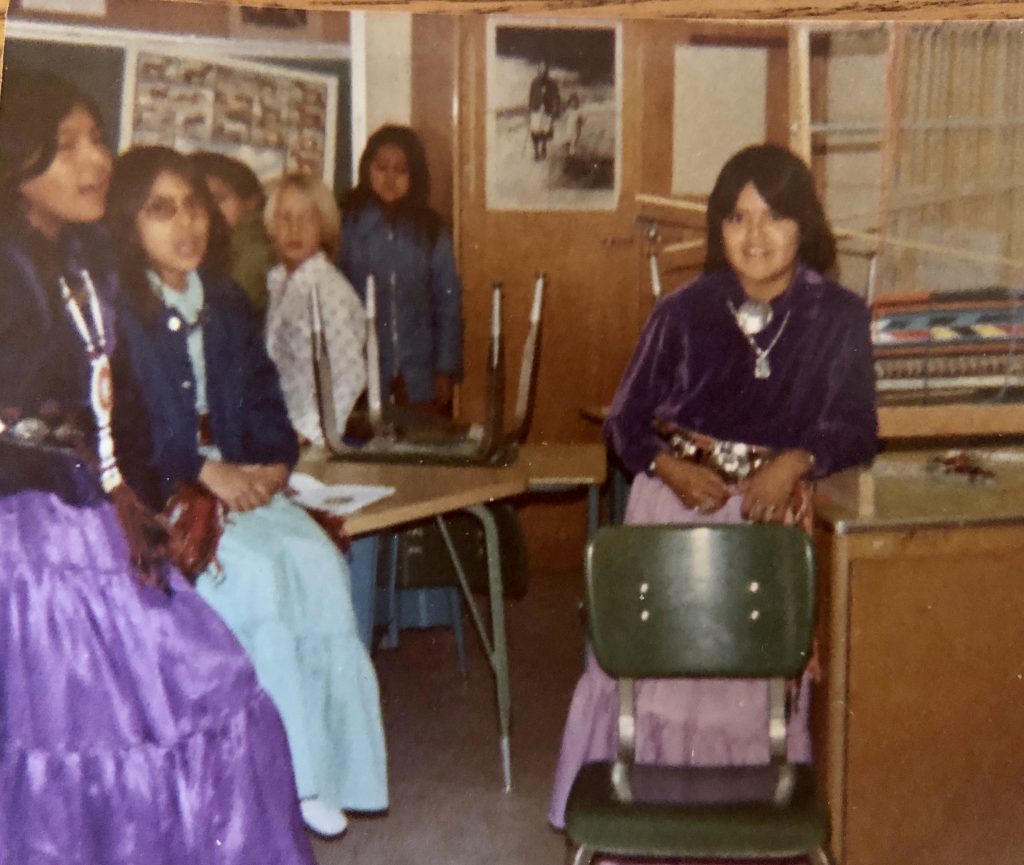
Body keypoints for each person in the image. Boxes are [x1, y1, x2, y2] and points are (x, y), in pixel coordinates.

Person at [0, 67, 316, 864]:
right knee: (88, 731)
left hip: (99, 515)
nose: (94, 159)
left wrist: (170, 487)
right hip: (33, 541)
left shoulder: (81, 261)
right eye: (67, 145)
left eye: (97, 139)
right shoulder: (11, 267)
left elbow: (121, 405)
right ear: (15, 156)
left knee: (198, 690)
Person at [548, 143, 878, 830]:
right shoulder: (683, 311)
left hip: (768, 526)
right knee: (660, 696)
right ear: (717, 228)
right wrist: (668, 467)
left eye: (774, 217)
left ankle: (740, 830)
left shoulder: (840, 316)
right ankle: (650, 823)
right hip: (674, 511)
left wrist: (794, 462)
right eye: (736, 218)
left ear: (805, 227)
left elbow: (857, 428)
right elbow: (624, 423)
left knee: (748, 703)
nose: (754, 236)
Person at [106, 145, 388, 838]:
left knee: (320, 567)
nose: (186, 225)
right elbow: (122, 431)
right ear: (129, 222)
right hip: (167, 489)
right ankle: (288, 776)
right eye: (162, 209)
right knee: (257, 580)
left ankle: (331, 768)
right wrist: (203, 472)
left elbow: (266, 397)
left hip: (239, 477)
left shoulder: (227, 300)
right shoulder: (120, 312)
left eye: (194, 206)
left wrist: (272, 463)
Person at [338, 124, 463, 414]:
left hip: (419, 377)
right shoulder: (347, 225)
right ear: (368, 170)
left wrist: (445, 369)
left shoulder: (431, 231)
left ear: (415, 176)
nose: (390, 178)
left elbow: (448, 305)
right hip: (360, 375)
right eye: (382, 168)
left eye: (401, 170)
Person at [264, 171, 366, 445]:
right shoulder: (280, 281)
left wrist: (309, 433)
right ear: (271, 225)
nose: (294, 229)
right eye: (285, 218)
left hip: (314, 440)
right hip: (281, 431)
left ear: (324, 227)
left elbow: (350, 375)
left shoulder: (327, 289)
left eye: (307, 218)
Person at [189, 149, 274, 320]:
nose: (210, 209)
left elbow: (223, 311)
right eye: (199, 201)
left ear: (251, 202)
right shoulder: (220, 243)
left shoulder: (253, 248)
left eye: (219, 199)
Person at [527, 59, 561, 161]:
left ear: (547, 71)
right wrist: (530, 109)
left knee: (545, 131)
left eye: (545, 69)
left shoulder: (552, 84)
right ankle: (536, 152)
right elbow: (531, 96)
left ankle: (544, 147)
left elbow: (557, 97)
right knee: (534, 131)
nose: (543, 72)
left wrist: (556, 109)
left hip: (547, 110)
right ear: (538, 70)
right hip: (536, 110)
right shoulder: (534, 82)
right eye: (541, 69)